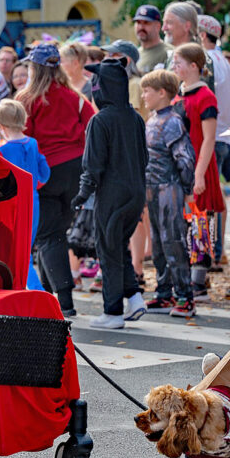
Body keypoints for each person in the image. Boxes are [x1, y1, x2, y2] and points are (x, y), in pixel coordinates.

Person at [17, 44, 95, 316]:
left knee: (49, 236)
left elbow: (23, 138)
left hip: (45, 171)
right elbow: (92, 123)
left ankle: (64, 302)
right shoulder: (74, 97)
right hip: (75, 168)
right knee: (57, 232)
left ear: (34, 68)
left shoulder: (28, 99)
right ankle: (52, 294)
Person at [71, 59, 149, 329]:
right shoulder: (136, 118)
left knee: (108, 250)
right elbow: (145, 157)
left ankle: (113, 311)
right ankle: (135, 298)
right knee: (118, 246)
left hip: (112, 195)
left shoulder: (100, 121)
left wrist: (82, 194)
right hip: (136, 192)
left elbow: (92, 164)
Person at [140, 70, 197, 317]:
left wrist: (186, 189)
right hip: (152, 189)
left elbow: (185, 159)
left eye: (147, 91)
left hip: (168, 188)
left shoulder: (172, 121)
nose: (143, 96)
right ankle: (164, 293)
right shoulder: (152, 119)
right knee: (159, 244)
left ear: (162, 93)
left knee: (173, 241)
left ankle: (185, 296)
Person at [172, 44, 226, 298]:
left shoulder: (206, 97)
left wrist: (199, 173)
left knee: (201, 222)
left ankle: (199, 280)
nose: (174, 67)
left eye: (178, 62)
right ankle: (186, 277)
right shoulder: (178, 94)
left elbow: (208, 138)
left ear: (194, 65)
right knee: (186, 223)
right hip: (180, 167)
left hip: (198, 166)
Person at [198, 16, 230, 252]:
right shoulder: (222, 60)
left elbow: (209, 103)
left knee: (207, 202)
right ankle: (215, 252)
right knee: (216, 200)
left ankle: (208, 252)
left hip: (215, 137)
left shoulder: (208, 60)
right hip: (225, 136)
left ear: (202, 35)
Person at [0, 99, 49, 292]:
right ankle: (28, 288)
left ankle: (35, 290)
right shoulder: (32, 143)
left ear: (0, 126)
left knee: (19, 250)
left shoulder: (1, 150)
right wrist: (34, 186)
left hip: (13, 204)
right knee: (27, 247)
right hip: (33, 200)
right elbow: (45, 172)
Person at [134, 4, 170, 72]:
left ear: (158, 26)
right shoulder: (135, 54)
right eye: (138, 22)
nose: (141, 27)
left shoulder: (168, 53)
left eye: (146, 23)